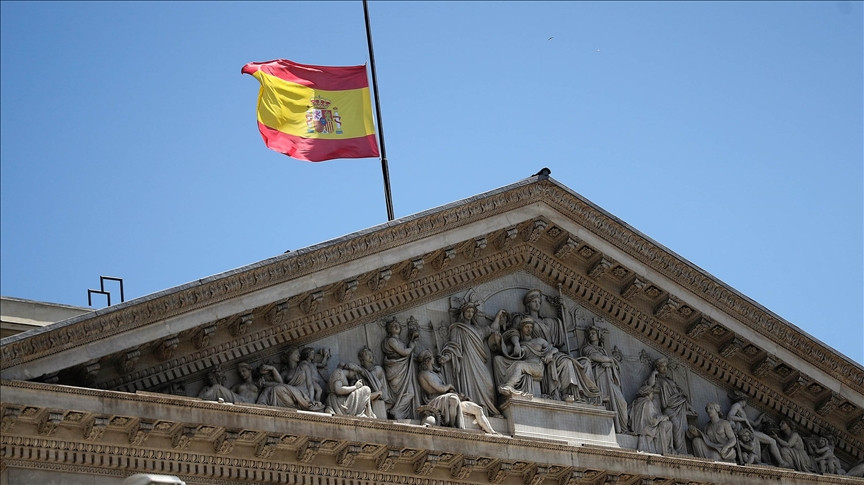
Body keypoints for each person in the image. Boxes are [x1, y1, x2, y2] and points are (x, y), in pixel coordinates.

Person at [495, 317, 599, 403]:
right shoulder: (520, 344)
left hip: (538, 366)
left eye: (531, 327)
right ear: (521, 329)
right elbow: (506, 351)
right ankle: (506, 389)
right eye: (526, 327)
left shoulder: (539, 341)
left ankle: (509, 386)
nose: (529, 329)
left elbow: (554, 348)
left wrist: (550, 353)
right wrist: (504, 342)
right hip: (528, 364)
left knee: (520, 366)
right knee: (500, 360)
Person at [440, 301, 504, 417]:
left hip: (478, 361)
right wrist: (446, 357)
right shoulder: (457, 328)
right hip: (466, 361)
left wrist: (498, 317)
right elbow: (454, 346)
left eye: (472, 312)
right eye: (468, 311)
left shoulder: (477, 330)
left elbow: (491, 329)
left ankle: (487, 410)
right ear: (463, 313)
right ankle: (474, 411)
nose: (470, 314)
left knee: (488, 385)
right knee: (471, 384)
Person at [416, 350, 498, 434]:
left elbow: (445, 390)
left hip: (447, 400)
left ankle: (491, 432)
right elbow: (441, 389)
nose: (434, 359)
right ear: (428, 360)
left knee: (477, 409)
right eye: (432, 357)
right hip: (436, 402)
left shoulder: (434, 374)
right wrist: (450, 386)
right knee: (453, 399)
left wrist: (458, 395)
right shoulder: (424, 374)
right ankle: (452, 426)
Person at [644, 357, 697, 455]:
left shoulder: (670, 380)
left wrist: (689, 406)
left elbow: (680, 394)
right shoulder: (658, 380)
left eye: (666, 366)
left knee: (682, 429)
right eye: (662, 366)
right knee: (676, 426)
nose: (664, 369)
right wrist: (653, 374)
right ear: (657, 368)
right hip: (669, 407)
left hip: (679, 406)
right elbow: (650, 385)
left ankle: (682, 452)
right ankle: (678, 450)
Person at [581, 326, 628, 432]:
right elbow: (595, 358)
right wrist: (610, 361)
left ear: (598, 335)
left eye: (593, 333)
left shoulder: (603, 351)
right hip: (598, 378)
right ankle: (611, 429)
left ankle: (623, 428)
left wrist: (610, 363)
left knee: (622, 403)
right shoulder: (587, 348)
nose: (591, 335)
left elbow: (608, 362)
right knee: (605, 403)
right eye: (590, 333)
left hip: (609, 380)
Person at [726, 391, 787, 466]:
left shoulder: (741, 410)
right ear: (743, 400)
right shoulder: (736, 406)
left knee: (772, 441)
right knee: (772, 441)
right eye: (746, 401)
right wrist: (743, 420)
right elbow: (729, 416)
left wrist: (762, 415)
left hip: (751, 432)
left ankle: (775, 462)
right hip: (747, 433)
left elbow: (755, 423)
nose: (746, 403)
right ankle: (781, 463)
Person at [381, 317, 421, 419]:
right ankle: (394, 410)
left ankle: (396, 411)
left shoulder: (401, 342)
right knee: (405, 393)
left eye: (398, 325)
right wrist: (411, 347)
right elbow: (404, 352)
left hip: (403, 371)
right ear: (389, 330)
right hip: (395, 371)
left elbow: (408, 355)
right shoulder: (391, 341)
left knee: (410, 393)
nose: (396, 326)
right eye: (393, 325)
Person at [255, 362, 323, 411]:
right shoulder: (284, 372)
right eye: (296, 353)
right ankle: (260, 409)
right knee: (274, 389)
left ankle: (305, 404)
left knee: (277, 388)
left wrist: (311, 400)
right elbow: (280, 383)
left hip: (303, 396)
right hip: (290, 396)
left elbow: (310, 385)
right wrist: (273, 369)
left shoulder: (304, 367)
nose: (298, 355)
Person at [347, 346, 392, 418]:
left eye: (370, 354)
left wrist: (359, 370)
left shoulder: (377, 369)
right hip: (368, 395)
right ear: (361, 360)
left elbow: (373, 380)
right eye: (366, 354)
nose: (370, 356)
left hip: (380, 395)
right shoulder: (361, 372)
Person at [628, 385, 672, 454]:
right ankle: (667, 449)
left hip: (637, 429)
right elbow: (653, 421)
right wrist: (663, 417)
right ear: (648, 393)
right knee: (668, 424)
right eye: (652, 393)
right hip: (646, 429)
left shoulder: (635, 403)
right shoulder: (648, 403)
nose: (653, 396)